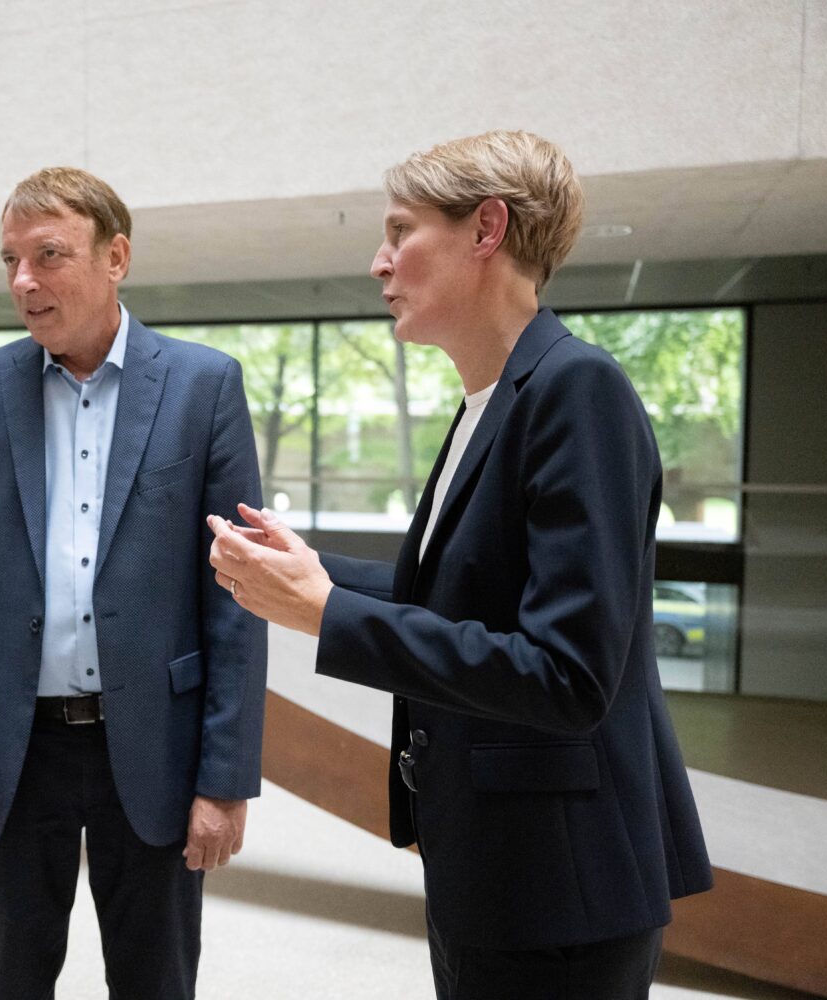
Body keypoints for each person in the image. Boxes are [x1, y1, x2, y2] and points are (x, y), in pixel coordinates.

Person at [208, 131, 712, 999]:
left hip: (563, 884)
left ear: (486, 230)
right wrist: (312, 572)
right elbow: (455, 598)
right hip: (497, 864)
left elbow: (567, 675)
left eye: (400, 230)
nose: (379, 261)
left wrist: (328, 612)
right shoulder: (491, 400)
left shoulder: (576, 390)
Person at [0, 166, 268, 999]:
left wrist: (225, 780)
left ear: (117, 257)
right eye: (10, 260)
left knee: (156, 979)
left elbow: (236, 602)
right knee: (8, 977)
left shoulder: (203, 385)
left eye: (48, 255)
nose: (23, 281)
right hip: (13, 747)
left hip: (153, 745)